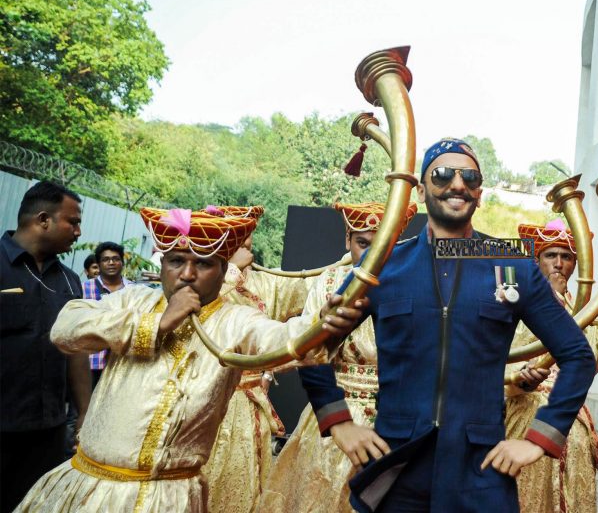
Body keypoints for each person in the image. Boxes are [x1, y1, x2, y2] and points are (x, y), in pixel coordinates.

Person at [13, 206, 364, 513]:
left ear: (224, 268)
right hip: (90, 490)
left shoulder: (234, 320)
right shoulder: (133, 300)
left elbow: (282, 339)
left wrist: (322, 324)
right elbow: (67, 327)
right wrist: (158, 323)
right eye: (177, 261)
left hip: (170, 498)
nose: (187, 274)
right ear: (163, 264)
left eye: (205, 264)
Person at [330, 138, 595, 513]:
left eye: (469, 176)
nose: (457, 184)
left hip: (481, 474)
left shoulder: (511, 266)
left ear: (480, 194)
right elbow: (314, 345)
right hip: (397, 466)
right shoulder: (384, 265)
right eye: (442, 174)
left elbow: (578, 355)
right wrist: (338, 421)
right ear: (421, 191)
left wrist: (539, 439)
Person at [261, 201, 418, 513]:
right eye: (362, 243)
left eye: (382, 245)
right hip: (336, 417)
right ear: (347, 240)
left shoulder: (414, 288)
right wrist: (324, 322)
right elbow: (308, 350)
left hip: (396, 421)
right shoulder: (330, 283)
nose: (372, 255)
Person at [506, 221, 598, 513]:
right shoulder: (513, 306)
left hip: (571, 424)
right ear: (537, 261)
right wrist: (517, 379)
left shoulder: (591, 311)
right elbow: (492, 358)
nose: (559, 263)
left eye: (566, 256)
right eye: (551, 255)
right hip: (522, 420)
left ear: (576, 265)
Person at [201, 205, 314, 513]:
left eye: (248, 243)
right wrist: (230, 271)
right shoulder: (195, 276)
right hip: (209, 401)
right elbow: (201, 315)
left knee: (251, 485)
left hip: (252, 402)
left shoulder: (263, 281)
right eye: (237, 244)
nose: (247, 250)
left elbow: (309, 288)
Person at [0, 181, 92, 513]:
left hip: (49, 432)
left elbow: (76, 350)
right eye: (73, 221)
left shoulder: (69, 281)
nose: (79, 232)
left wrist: (84, 412)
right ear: (43, 220)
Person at [81, 241, 131, 387]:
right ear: (98, 263)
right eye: (105, 259)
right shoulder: (84, 288)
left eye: (116, 259)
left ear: (122, 262)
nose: (111, 263)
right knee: (84, 407)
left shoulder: (134, 291)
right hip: (90, 361)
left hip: (122, 363)